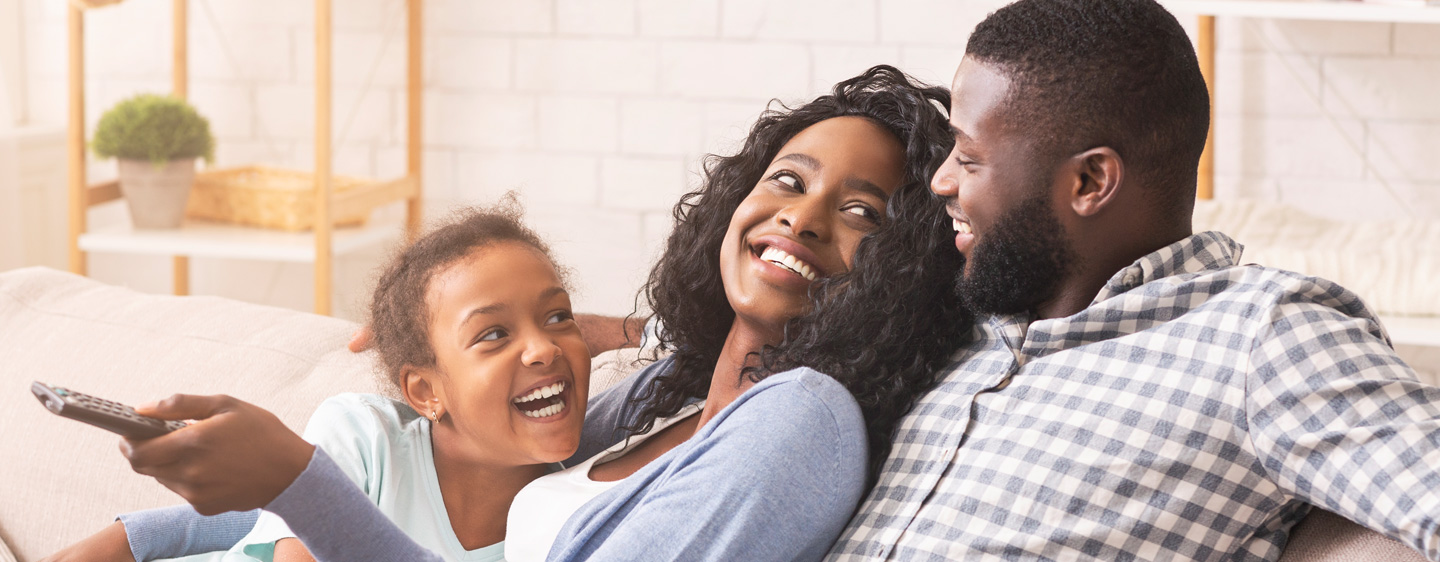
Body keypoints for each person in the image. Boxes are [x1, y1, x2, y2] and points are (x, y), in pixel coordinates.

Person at [47, 65, 967, 562]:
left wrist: (295, 481)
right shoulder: (666, 396)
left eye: (859, 214)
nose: (801, 217)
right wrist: (139, 534)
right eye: (786, 180)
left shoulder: (804, 423)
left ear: (902, 268)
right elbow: (443, 470)